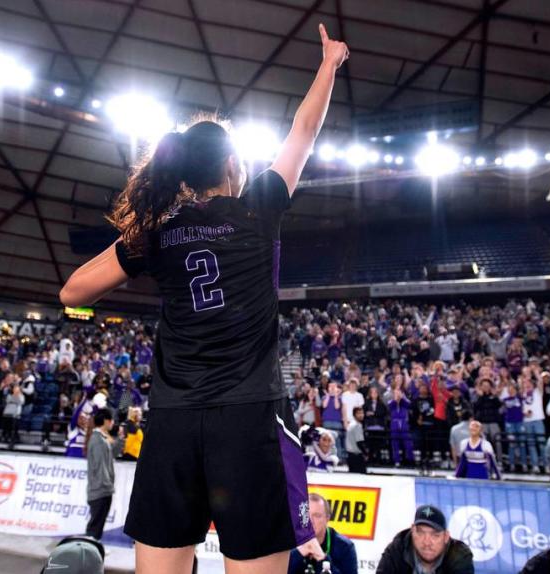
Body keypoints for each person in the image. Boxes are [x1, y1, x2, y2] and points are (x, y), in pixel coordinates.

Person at [59, 22, 348, 572]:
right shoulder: (259, 205)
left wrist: (140, 236)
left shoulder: (157, 233)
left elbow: (73, 291)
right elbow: (303, 131)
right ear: (235, 168)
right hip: (248, 420)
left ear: (184, 179)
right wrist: (328, 63)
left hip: (172, 421)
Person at [376, 505, 474, 574]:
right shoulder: (398, 548)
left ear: (446, 537)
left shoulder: (459, 556)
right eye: (421, 533)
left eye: (435, 535)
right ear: (412, 531)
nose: (427, 542)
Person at [288, 493, 358, 574]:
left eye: (317, 516)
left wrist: (322, 558)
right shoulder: (287, 542)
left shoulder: (345, 547)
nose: (310, 521)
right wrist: (298, 554)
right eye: (306, 515)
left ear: (327, 518)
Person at [85, 410, 126, 540]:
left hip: (102, 488)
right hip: (100, 489)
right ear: (106, 421)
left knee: (98, 522)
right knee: (96, 523)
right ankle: (89, 548)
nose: (113, 423)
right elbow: (99, 466)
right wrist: (106, 485)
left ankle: (94, 546)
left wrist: (120, 439)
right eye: (111, 420)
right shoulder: (98, 440)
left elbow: (111, 453)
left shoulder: (101, 439)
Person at [345, 407, 367, 474]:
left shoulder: (351, 424)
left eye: (362, 413)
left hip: (350, 455)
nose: (361, 415)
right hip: (356, 456)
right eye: (359, 413)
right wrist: (366, 454)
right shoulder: (357, 425)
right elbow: (359, 442)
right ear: (354, 415)